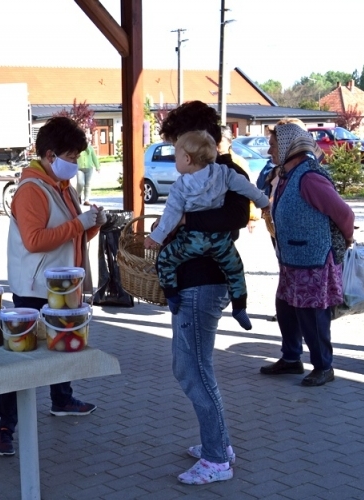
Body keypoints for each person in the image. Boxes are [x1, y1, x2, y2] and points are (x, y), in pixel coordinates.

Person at [0, 116, 105, 457]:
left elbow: (72, 236)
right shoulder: (31, 190)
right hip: (35, 287)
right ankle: (4, 426)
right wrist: (78, 223)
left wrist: (91, 225)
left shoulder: (61, 186)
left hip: (62, 286)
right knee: (23, 360)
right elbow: (35, 240)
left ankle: (62, 398)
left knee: (63, 343)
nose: (75, 163)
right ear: (50, 154)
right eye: (71, 156)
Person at [156, 100, 250, 484]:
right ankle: (219, 444)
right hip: (193, 281)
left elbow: (236, 217)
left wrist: (183, 218)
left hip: (204, 283)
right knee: (191, 367)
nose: (180, 153)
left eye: (180, 143)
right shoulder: (202, 174)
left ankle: (216, 460)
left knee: (193, 371)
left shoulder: (226, 172)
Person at [143, 130, 269, 331]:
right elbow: (249, 189)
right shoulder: (225, 173)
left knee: (166, 260)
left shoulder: (180, 186)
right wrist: (264, 203)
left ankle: (172, 297)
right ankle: (239, 307)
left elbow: (171, 216)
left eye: (175, 156)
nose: (175, 160)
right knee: (235, 270)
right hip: (220, 240)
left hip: (191, 241)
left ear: (187, 158)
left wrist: (156, 237)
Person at [259, 123, 354, 387]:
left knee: (312, 313)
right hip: (292, 258)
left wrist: (347, 238)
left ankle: (324, 366)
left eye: (274, 145)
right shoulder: (288, 174)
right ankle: (291, 358)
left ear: (290, 146)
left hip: (313, 259)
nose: (270, 150)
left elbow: (344, 214)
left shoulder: (310, 178)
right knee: (286, 308)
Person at [76, 141, 100, 205]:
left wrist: (97, 167)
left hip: (89, 168)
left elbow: (94, 157)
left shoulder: (90, 148)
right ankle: (78, 196)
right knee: (80, 183)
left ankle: (86, 200)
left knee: (88, 184)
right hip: (79, 168)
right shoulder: (77, 148)